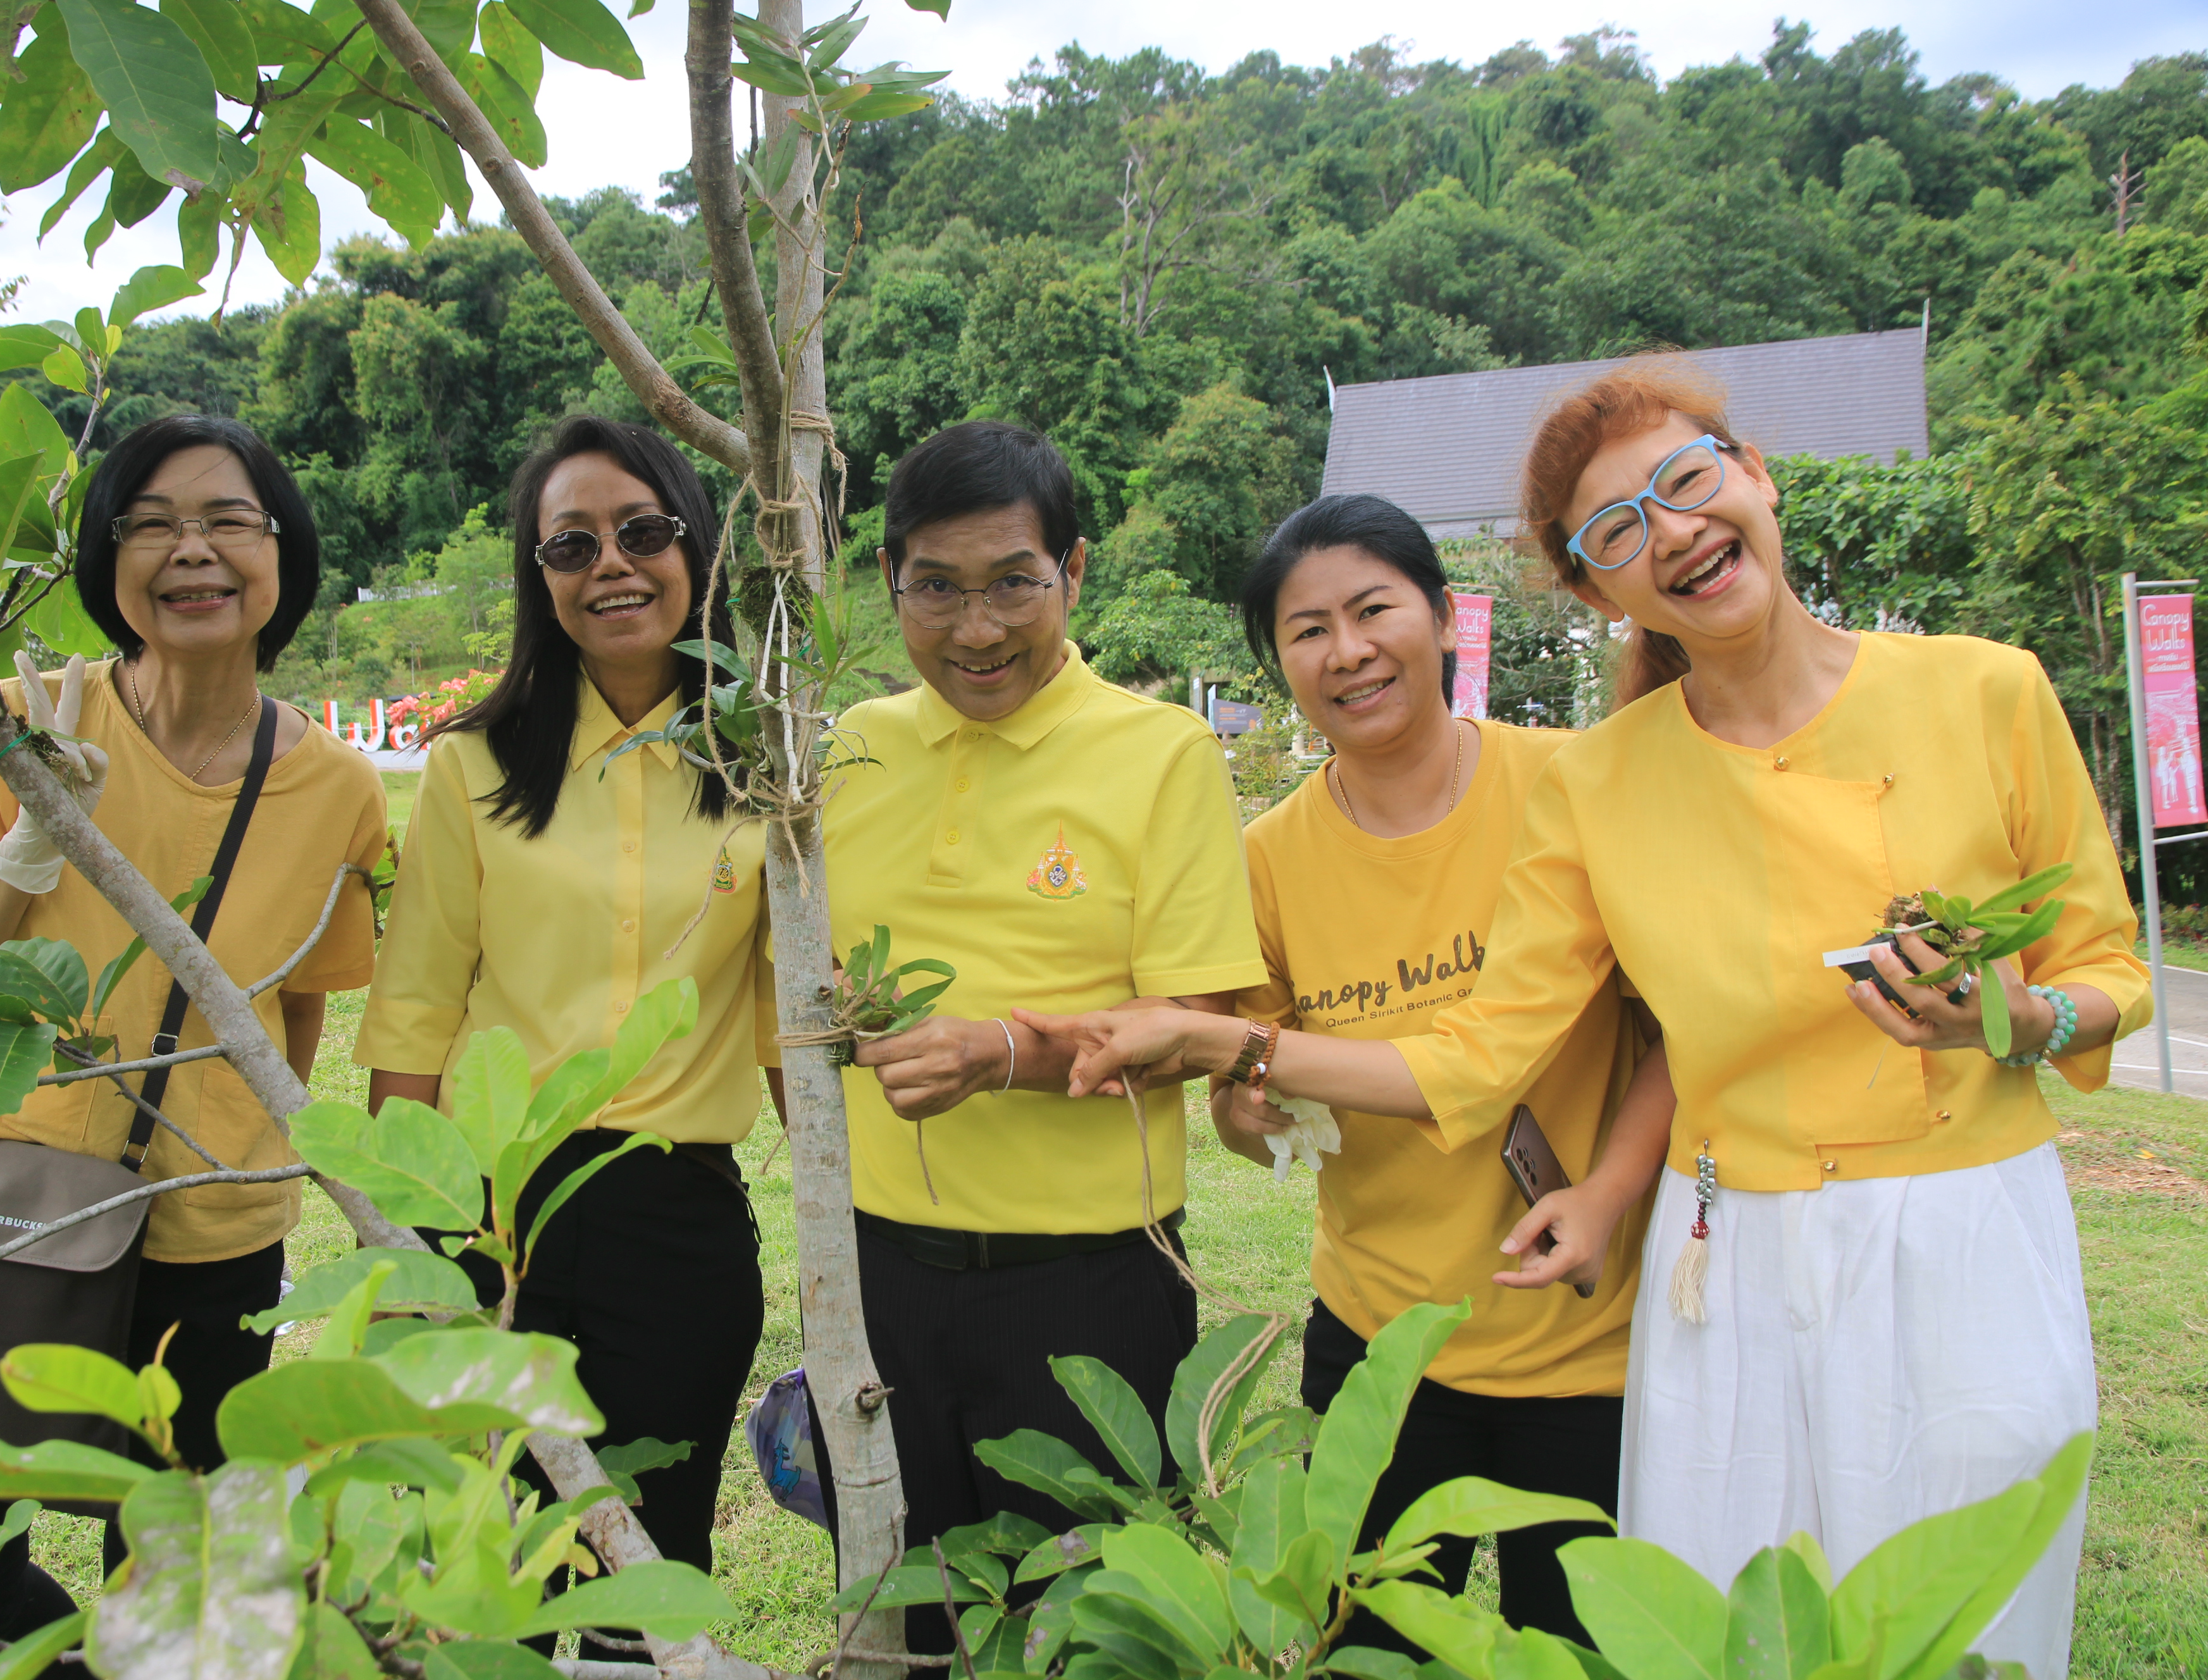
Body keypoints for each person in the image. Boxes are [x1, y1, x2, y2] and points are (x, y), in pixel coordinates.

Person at [1020, 359, 2147, 1679]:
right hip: (1730, 1247)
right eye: (1617, 529)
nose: (1672, 531)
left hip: (1961, 1227)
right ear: (1593, 584)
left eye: (1690, 480)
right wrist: (1228, 1049)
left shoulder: (1986, 689)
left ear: (1755, 473)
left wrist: (2010, 1017)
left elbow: (2107, 975)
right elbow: (1492, 1047)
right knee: (1723, 1633)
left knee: (1970, 1622)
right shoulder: (1606, 779)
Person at [0, 414, 389, 1667]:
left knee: (185, 1564)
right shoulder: (19, 719)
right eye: (151, 523)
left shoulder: (336, 787)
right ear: (105, 561)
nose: (191, 551)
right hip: (15, 1197)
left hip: (214, 1229)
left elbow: (296, 1000)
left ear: (282, 556)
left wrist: (250, 1150)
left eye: (227, 521)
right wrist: (30, 835)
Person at [818, 420, 1266, 1650]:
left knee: (1087, 1632)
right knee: (907, 1618)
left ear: (1073, 573)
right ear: (891, 584)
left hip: (1091, 1285)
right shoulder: (848, 750)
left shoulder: (1160, 752)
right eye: (937, 588)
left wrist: (1001, 1054)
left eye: (1014, 581)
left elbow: (1198, 1027)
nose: (977, 628)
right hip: (879, 1273)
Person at [1219, 493, 1673, 1652]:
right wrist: (1245, 1105)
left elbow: (1678, 1033)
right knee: (1366, 1651)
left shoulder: (1576, 783)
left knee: (1580, 1656)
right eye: (1307, 630)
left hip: (1588, 1343)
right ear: (1279, 665)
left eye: (1375, 610)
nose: (1349, 651)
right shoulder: (1266, 860)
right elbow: (1245, 1110)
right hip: (1380, 1346)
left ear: (1441, 617)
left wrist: (1611, 1197)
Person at [356, 416, 776, 1581]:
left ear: (698, 550)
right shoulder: (471, 767)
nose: (612, 566)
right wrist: (401, 1251)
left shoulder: (770, 770)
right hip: (494, 1208)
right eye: (572, 546)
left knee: (656, 1544)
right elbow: (418, 1008)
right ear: (539, 580)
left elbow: (793, 1024)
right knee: (484, 1542)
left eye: (644, 533)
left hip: (678, 1216)